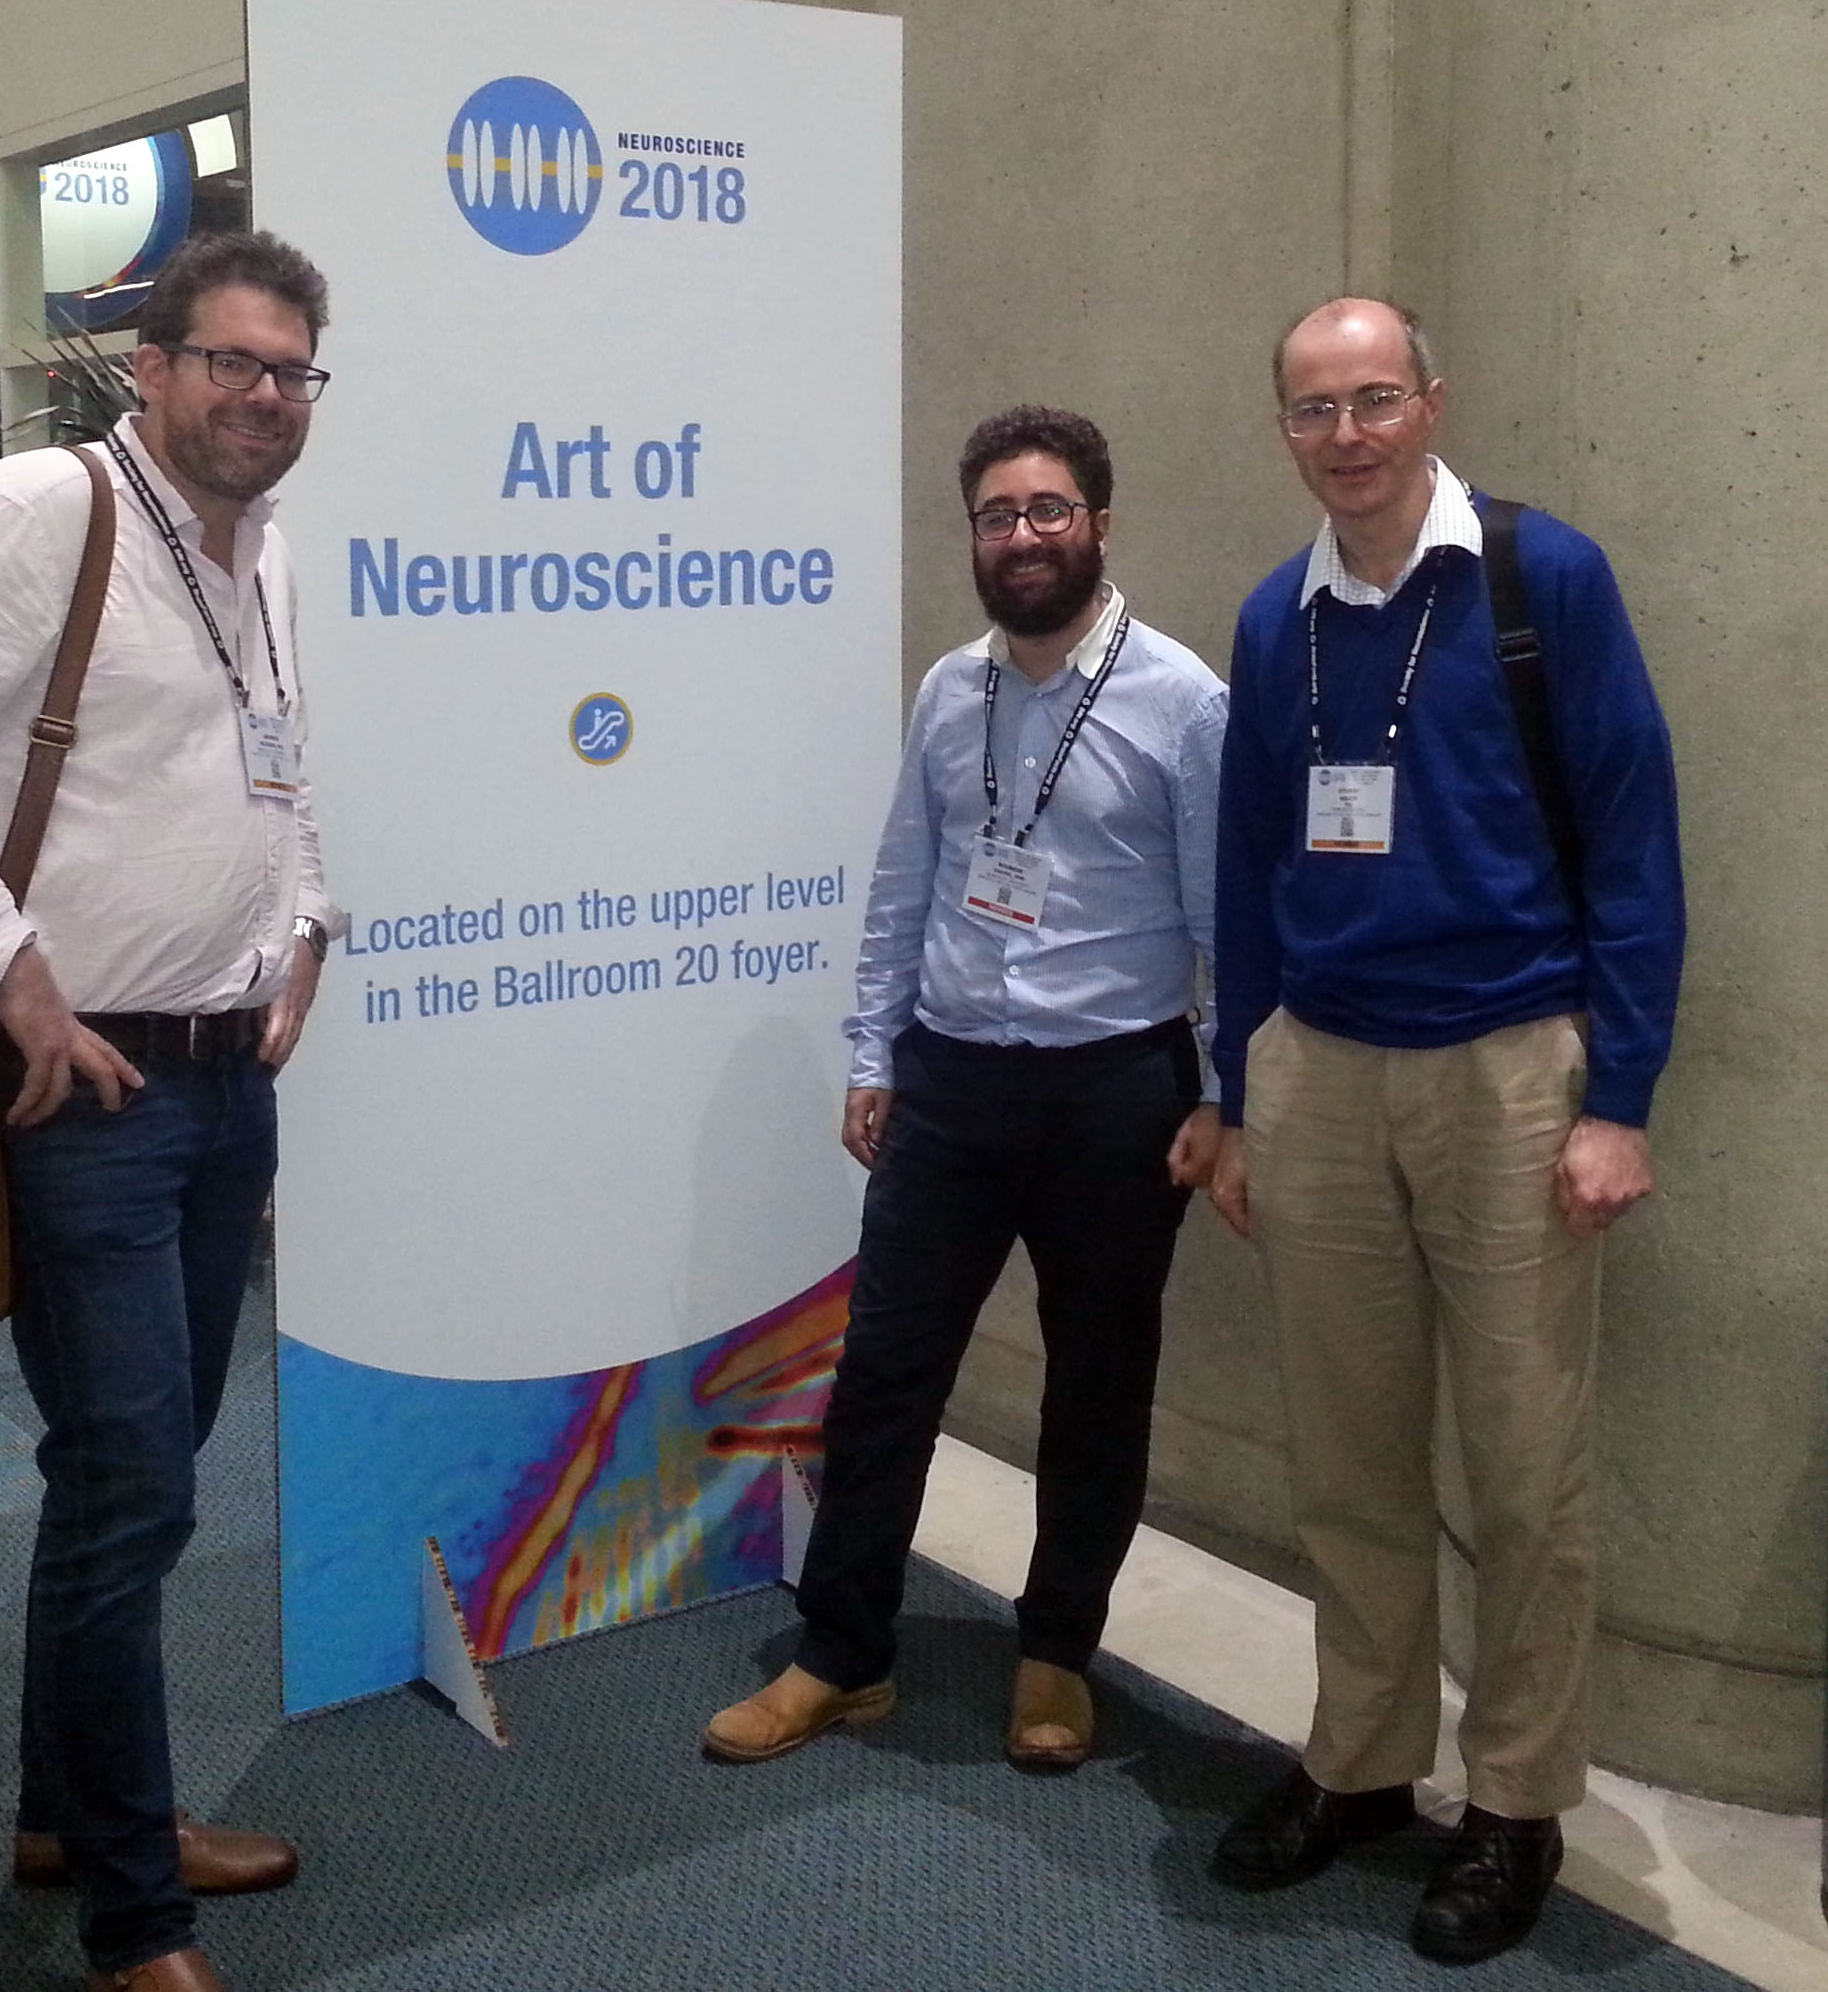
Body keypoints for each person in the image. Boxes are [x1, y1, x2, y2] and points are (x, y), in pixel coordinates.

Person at [0, 230, 341, 1992]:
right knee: (131, 1487)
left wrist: (306, 920)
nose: (263, 395)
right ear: (154, 366)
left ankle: (68, 1812)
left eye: (291, 371)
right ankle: (132, 1915)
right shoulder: (52, 508)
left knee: (133, 1478)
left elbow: (277, 767)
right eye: (231, 361)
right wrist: (3, 970)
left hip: (220, 1078)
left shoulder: (264, 551)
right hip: (78, 1079)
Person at [1207, 298, 1683, 1965]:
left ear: (1429, 402)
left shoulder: (1543, 583)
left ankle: (1515, 1801)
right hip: (1322, 1072)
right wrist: (1236, 1095)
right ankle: (1357, 1762)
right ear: (1284, 429)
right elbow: (1249, 863)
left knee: (1525, 1472)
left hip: (1508, 1073)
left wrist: (1617, 1099)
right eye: (1313, 409)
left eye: (1373, 399)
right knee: (1345, 1459)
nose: (1346, 435)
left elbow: (1633, 836)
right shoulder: (1275, 619)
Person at [703, 405, 1225, 1770]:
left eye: (1049, 509)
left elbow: (1228, 918)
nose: (1023, 535)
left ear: (1099, 524)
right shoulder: (951, 691)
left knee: (1096, 1386)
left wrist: (1221, 1093)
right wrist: (873, 1053)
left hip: (1116, 1092)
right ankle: (841, 1656)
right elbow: (905, 886)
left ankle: (1055, 1657)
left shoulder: (1183, 701)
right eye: (998, 515)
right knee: (885, 1373)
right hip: (949, 1082)